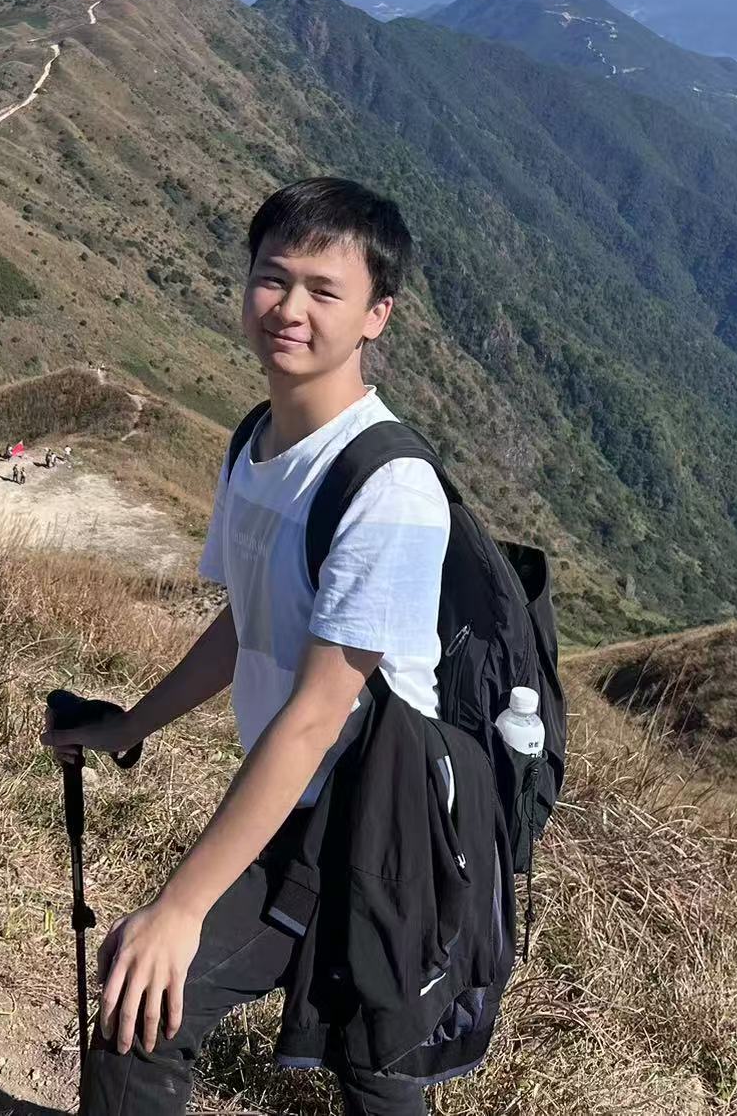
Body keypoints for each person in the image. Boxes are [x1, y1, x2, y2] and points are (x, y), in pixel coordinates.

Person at [43, 178, 450, 1115]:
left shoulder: (387, 487)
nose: (290, 308)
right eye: (274, 277)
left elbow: (315, 716)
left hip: (377, 830)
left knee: (365, 1069)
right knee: (160, 1009)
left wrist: (180, 907)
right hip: (301, 808)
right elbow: (248, 622)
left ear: (376, 316)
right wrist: (129, 725)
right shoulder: (257, 441)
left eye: (324, 289)